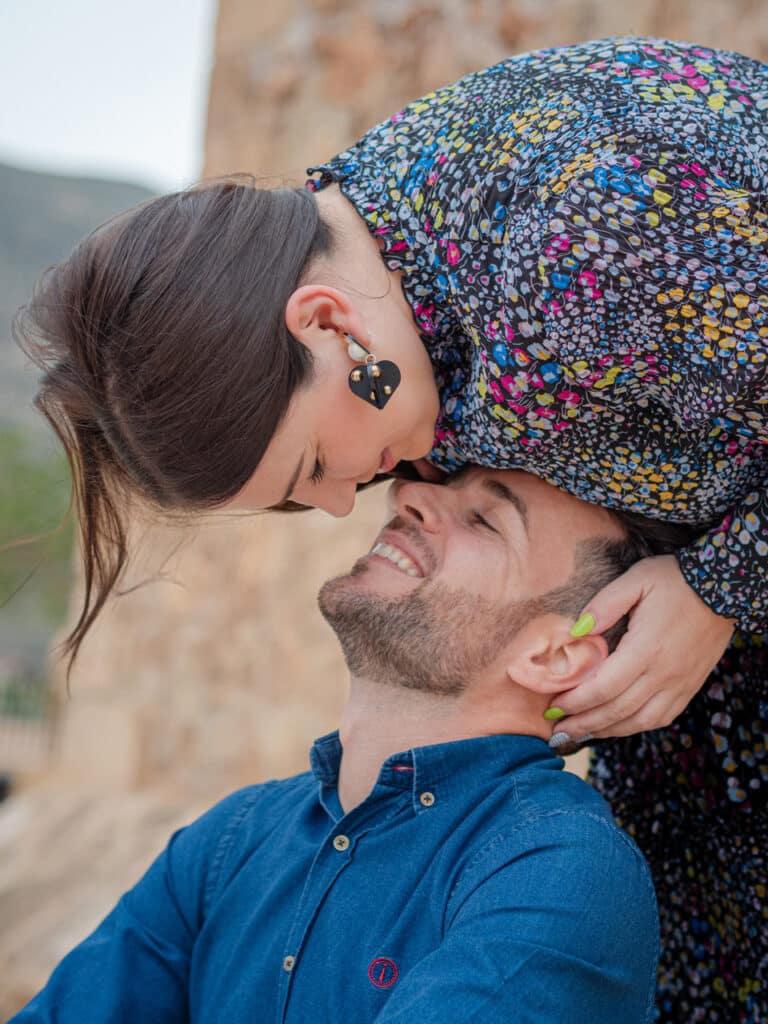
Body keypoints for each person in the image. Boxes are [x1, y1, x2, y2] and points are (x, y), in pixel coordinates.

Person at [12, 35, 767, 1020]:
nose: (342, 505)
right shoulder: (383, 286)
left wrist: (725, 581)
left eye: (312, 468)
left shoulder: (587, 241)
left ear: (324, 322)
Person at [10, 468, 661, 1023]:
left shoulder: (561, 869)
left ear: (555, 656)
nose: (407, 493)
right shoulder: (231, 841)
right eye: (438, 479)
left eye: (486, 521)